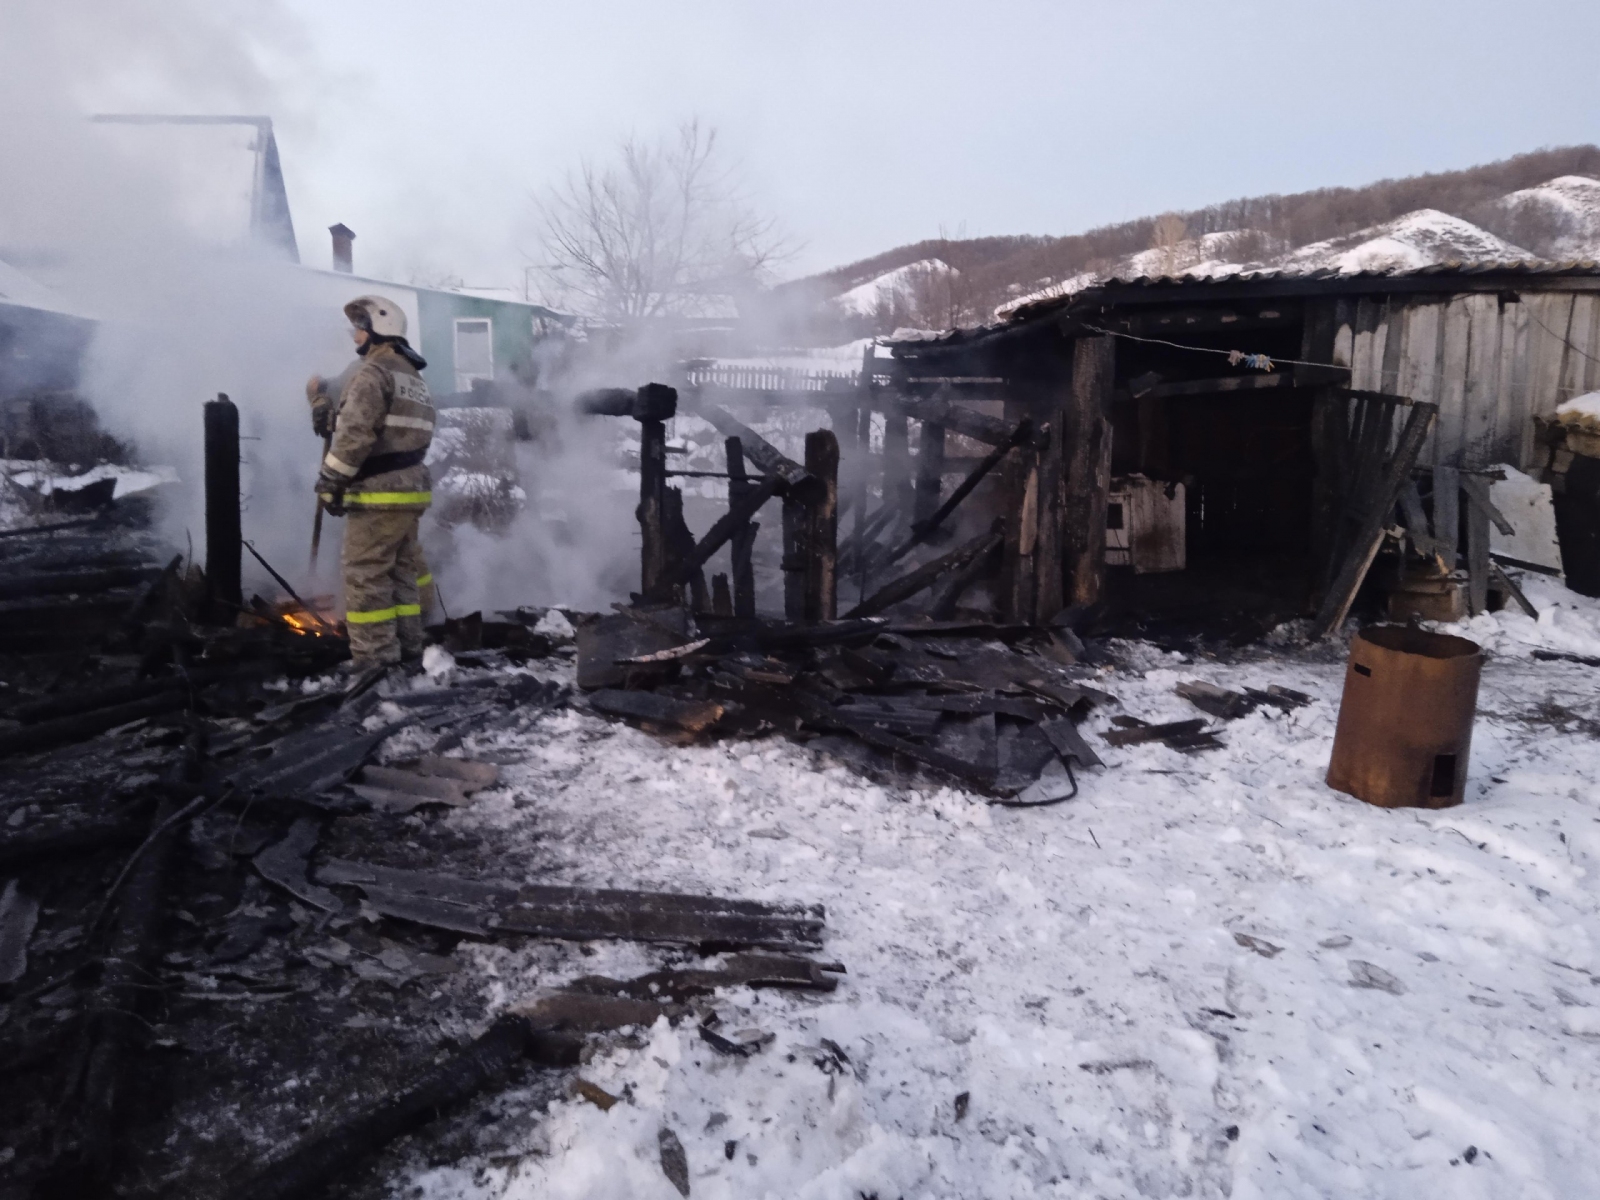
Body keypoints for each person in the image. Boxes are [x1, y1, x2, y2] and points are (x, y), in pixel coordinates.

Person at [306, 295, 437, 673]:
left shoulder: (372, 374)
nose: (355, 336)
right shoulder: (413, 378)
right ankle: (409, 650)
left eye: (360, 328)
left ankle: (375, 662)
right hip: (410, 491)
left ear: (381, 328)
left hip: (379, 494)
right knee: (400, 572)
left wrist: (330, 482)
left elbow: (354, 437)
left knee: (364, 574)